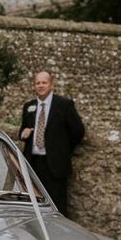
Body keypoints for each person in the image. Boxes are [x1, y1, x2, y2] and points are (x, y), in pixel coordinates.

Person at [19, 70, 85, 217]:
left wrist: (64, 150)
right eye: (37, 83)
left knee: (57, 206)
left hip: (55, 164)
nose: (40, 85)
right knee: (33, 204)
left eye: (44, 82)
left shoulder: (64, 105)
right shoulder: (29, 106)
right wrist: (23, 134)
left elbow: (78, 131)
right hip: (33, 163)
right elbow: (22, 130)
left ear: (51, 84)